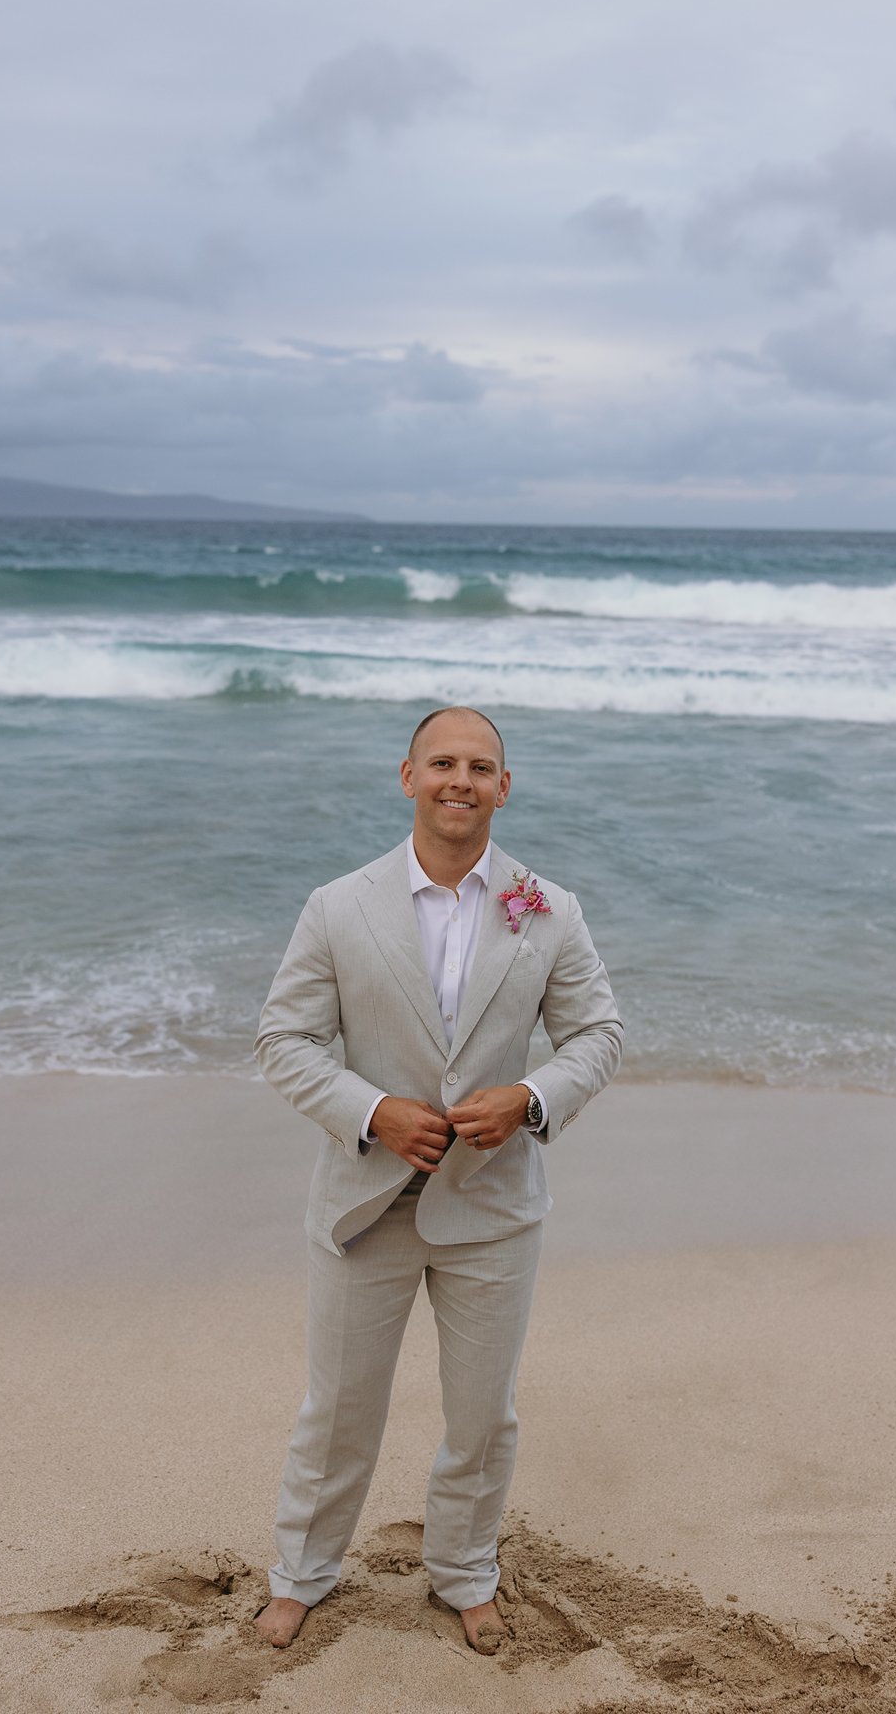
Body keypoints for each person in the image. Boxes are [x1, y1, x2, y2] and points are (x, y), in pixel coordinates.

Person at [252, 705, 623, 1654]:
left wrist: (530, 1098)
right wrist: (371, 1111)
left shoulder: (549, 908)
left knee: (481, 1417)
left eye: (482, 766)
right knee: (338, 1410)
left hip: (494, 1209)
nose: (462, 780)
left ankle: (463, 1573)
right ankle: (301, 1575)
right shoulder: (338, 906)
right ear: (408, 775)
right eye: (444, 762)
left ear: (506, 786)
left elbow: (597, 1036)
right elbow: (283, 1040)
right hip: (362, 1205)